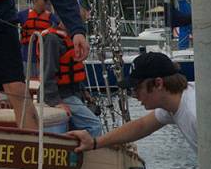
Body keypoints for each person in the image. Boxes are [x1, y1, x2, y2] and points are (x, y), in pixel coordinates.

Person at [67, 52, 195, 152]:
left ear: (158, 83)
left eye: (136, 89)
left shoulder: (194, 114)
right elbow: (142, 126)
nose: (134, 95)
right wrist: (94, 143)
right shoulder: (172, 104)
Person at [37, 21, 103, 136]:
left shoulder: (71, 37)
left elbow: (73, 70)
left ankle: (75, 152)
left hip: (74, 93)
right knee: (94, 125)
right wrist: (55, 102)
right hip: (62, 95)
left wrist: (84, 92)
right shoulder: (52, 39)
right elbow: (47, 74)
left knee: (79, 126)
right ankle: (90, 152)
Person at [16, 0, 58, 76]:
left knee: (42, 85)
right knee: (28, 83)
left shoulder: (51, 17)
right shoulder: (22, 15)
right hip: (26, 57)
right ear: (35, 0)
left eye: (47, 0)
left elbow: (61, 26)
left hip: (44, 58)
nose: (46, 2)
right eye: (44, 0)